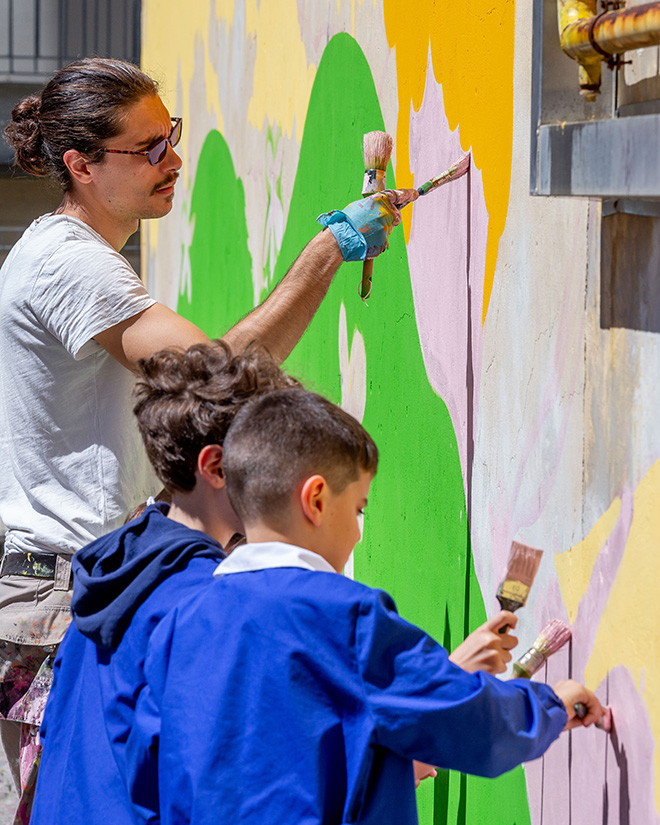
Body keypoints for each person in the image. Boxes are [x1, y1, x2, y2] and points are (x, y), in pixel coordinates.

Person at [0, 56, 402, 818]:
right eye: (146, 148)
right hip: (60, 604)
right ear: (80, 164)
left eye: (170, 136)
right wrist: (325, 255)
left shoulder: (71, 255)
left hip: (70, 592)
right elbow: (210, 379)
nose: (173, 160)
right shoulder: (71, 266)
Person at [31, 342, 519, 824]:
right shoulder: (213, 606)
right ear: (219, 468)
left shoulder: (114, 582)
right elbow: (249, 787)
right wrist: (420, 726)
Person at [125, 390, 604, 825]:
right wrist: (551, 704)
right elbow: (463, 719)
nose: (357, 532)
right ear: (315, 499)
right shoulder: (343, 616)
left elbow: (148, 778)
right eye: (358, 509)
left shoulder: (177, 626)